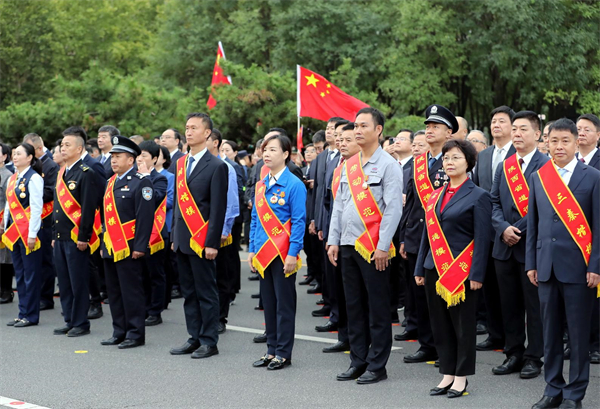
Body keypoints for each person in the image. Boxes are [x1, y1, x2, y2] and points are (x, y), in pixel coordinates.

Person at [526, 118, 600, 409]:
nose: (559, 146)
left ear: (576, 142)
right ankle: (553, 388)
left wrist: (595, 266)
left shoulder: (592, 177)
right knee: (550, 333)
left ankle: (574, 394)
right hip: (545, 266)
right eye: (553, 141)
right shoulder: (539, 177)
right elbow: (533, 224)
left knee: (579, 336)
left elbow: (598, 227)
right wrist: (531, 262)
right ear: (547, 142)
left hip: (579, 268)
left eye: (565, 141)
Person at [328, 107, 403, 384]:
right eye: (355, 126)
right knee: (354, 306)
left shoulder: (388, 165)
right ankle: (357, 361)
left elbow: (393, 209)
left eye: (363, 126)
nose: (357, 130)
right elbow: (339, 205)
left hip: (373, 247)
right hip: (348, 245)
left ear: (378, 130)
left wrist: (383, 246)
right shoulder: (349, 166)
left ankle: (377, 365)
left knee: (378, 308)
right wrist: (333, 240)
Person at [415, 139, 492, 398]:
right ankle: (447, 373)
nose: (449, 162)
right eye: (446, 158)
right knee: (440, 324)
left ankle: (461, 377)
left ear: (468, 163)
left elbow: (483, 239)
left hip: (462, 271)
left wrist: (478, 274)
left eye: (456, 157)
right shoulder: (435, 195)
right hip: (433, 268)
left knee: (463, 325)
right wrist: (419, 268)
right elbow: (427, 235)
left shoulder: (479, 195)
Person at [490, 111, 548, 379]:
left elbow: (544, 206)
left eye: (523, 129)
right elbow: (493, 202)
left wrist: (518, 229)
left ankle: (534, 357)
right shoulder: (505, 166)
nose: (517, 134)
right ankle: (513, 353)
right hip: (504, 247)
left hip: (531, 248)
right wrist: (503, 227)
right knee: (509, 304)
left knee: (533, 306)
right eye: (514, 129)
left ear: (537, 134)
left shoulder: (546, 165)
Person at [398, 105, 458, 364]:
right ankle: (427, 345)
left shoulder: (455, 160)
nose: (430, 130)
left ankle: (448, 347)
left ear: (449, 132)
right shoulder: (418, 163)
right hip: (416, 238)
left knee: (444, 296)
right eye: (428, 126)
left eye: (436, 126)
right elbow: (411, 203)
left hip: (444, 239)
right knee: (420, 295)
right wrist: (403, 237)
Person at [169, 112, 228, 359]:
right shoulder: (180, 163)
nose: (189, 131)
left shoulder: (217, 166)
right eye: (187, 127)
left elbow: (217, 208)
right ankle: (193, 337)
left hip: (202, 240)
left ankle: (209, 341)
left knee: (206, 292)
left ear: (207, 133)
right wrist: (174, 236)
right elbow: (177, 204)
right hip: (183, 239)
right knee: (189, 293)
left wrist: (212, 242)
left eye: (194, 127)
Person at [248, 133, 306, 370]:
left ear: (285, 154)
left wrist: (293, 253)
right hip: (263, 254)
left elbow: (299, 222)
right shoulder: (261, 185)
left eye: (273, 149)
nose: (267, 154)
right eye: (265, 149)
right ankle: (271, 349)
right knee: (269, 304)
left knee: (284, 305)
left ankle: (283, 352)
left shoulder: (294, 184)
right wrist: (252, 249)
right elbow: (255, 219)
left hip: (283, 254)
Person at [99, 136, 154, 349]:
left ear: (131, 160)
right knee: (114, 291)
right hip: (111, 246)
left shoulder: (142, 182)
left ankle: (135, 333)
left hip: (129, 247)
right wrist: (104, 244)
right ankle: (119, 331)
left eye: (118, 156)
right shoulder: (110, 182)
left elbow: (145, 217)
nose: (113, 160)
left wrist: (140, 246)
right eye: (112, 157)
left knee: (131, 291)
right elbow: (106, 218)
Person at [472, 105, 515, 352]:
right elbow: (478, 191)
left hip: (511, 231)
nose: (496, 125)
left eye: (501, 121)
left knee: (509, 291)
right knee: (489, 286)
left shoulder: (518, 154)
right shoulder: (485, 155)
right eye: (494, 121)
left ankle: (513, 339)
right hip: (486, 230)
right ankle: (495, 334)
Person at [52, 130, 101, 337]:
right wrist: (54, 235)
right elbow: (57, 208)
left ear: (79, 149)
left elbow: (89, 208)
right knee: (64, 281)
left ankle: (81, 323)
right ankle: (69, 319)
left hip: (75, 237)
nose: (63, 148)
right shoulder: (62, 172)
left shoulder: (86, 172)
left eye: (67, 145)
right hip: (60, 236)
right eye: (62, 145)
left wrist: (84, 236)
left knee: (78, 281)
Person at [2, 143, 44, 327]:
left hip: (28, 232)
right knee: (19, 274)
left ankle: (31, 315)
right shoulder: (13, 178)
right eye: (14, 154)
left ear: (29, 157)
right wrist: (4, 225)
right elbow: (9, 205)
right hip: (14, 231)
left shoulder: (34, 178)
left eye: (19, 154)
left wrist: (33, 234)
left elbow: (36, 208)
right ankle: (22, 313)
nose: (15, 157)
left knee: (30, 275)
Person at [316, 120, 348, 335]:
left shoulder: (357, 163)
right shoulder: (333, 162)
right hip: (332, 228)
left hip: (357, 236)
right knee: (333, 278)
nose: (339, 140)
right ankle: (336, 318)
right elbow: (325, 198)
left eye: (344, 137)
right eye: (337, 136)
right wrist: (321, 224)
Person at [207, 130, 239, 333]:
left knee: (221, 277)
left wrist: (224, 229)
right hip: (200, 230)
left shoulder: (226, 167)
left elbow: (232, 203)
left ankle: (220, 317)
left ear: (215, 142)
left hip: (219, 232)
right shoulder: (196, 165)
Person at [22, 133, 59, 311]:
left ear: (38, 148)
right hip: (29, 217)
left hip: (45, 217)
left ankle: (46, 297)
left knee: (45, 259)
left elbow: (51, 191)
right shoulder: (27, 167)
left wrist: (32, 193)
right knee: (31, 260)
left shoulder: (50, 166)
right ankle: (33, 295)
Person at [575, 113, 600, 365]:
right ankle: (575, 341)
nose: (581, 133)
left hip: (594, 236)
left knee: (596, 295)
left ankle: (596, 344)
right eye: (578, 129)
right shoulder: (566, 163)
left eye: (587, 129)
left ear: (598, 135)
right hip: (572, 241)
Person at [136, 141, 168, 326]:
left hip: (155, 233)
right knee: (140, 274)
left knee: (155, 274)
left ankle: (155, 311)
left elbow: (152, 198)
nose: (140, 159)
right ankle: (144, 307)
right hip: (137, 233)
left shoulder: (159, 179)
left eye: (144, 156)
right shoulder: (132, 176)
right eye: (138, 155)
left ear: (155, 159)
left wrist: (146, 178)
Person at [156, 145, 175, 309]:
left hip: (165, 225)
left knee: (165, 265)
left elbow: (170, 201)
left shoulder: (169, 177)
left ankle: (164, 299)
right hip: (148, 227)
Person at [0, 143, 15, 304]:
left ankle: (6, 291)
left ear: (4, 156)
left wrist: (3, 223)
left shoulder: (7, 176)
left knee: (4, 257)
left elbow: (8, 201)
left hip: (3, 220)